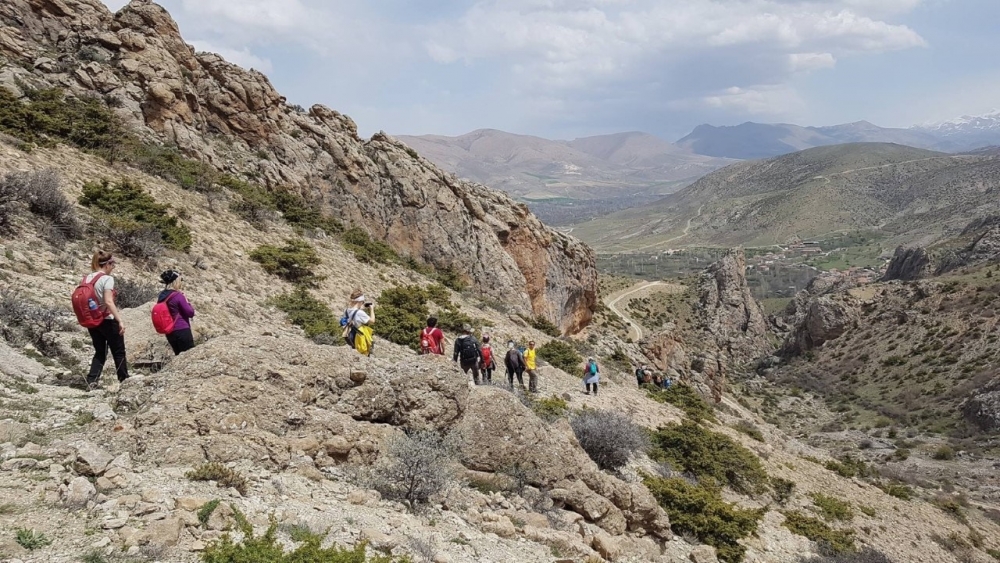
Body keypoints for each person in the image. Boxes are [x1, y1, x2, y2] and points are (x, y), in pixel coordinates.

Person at [83, 251, 128, 389]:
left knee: (100, 351)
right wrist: (119, 319)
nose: (113, 267)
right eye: (112, 264)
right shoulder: (107, 279)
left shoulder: (87, 278)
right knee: (118, 351)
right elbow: (108, 301)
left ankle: (92, 380)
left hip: (93, 320)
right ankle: (124, 380)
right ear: (107, 264)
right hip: (107, 319)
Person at [156, 270, 196, 355]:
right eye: (180, 280)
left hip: (169, 331)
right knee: (188, 356)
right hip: (182, 329)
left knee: (178, 355)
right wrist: (187, 301)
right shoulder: (178, 295)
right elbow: (190, 313)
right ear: (175, 281)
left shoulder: (162, 295)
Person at [344, 289, 375, 356]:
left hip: (350, 335)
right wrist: (372, 309)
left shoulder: (347, 310)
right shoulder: (360, 313)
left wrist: (360, 308)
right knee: (362, 354)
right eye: (362, 302)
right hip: (359, 337)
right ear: (360, 301)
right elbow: (372, 321)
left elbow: (353, 314)